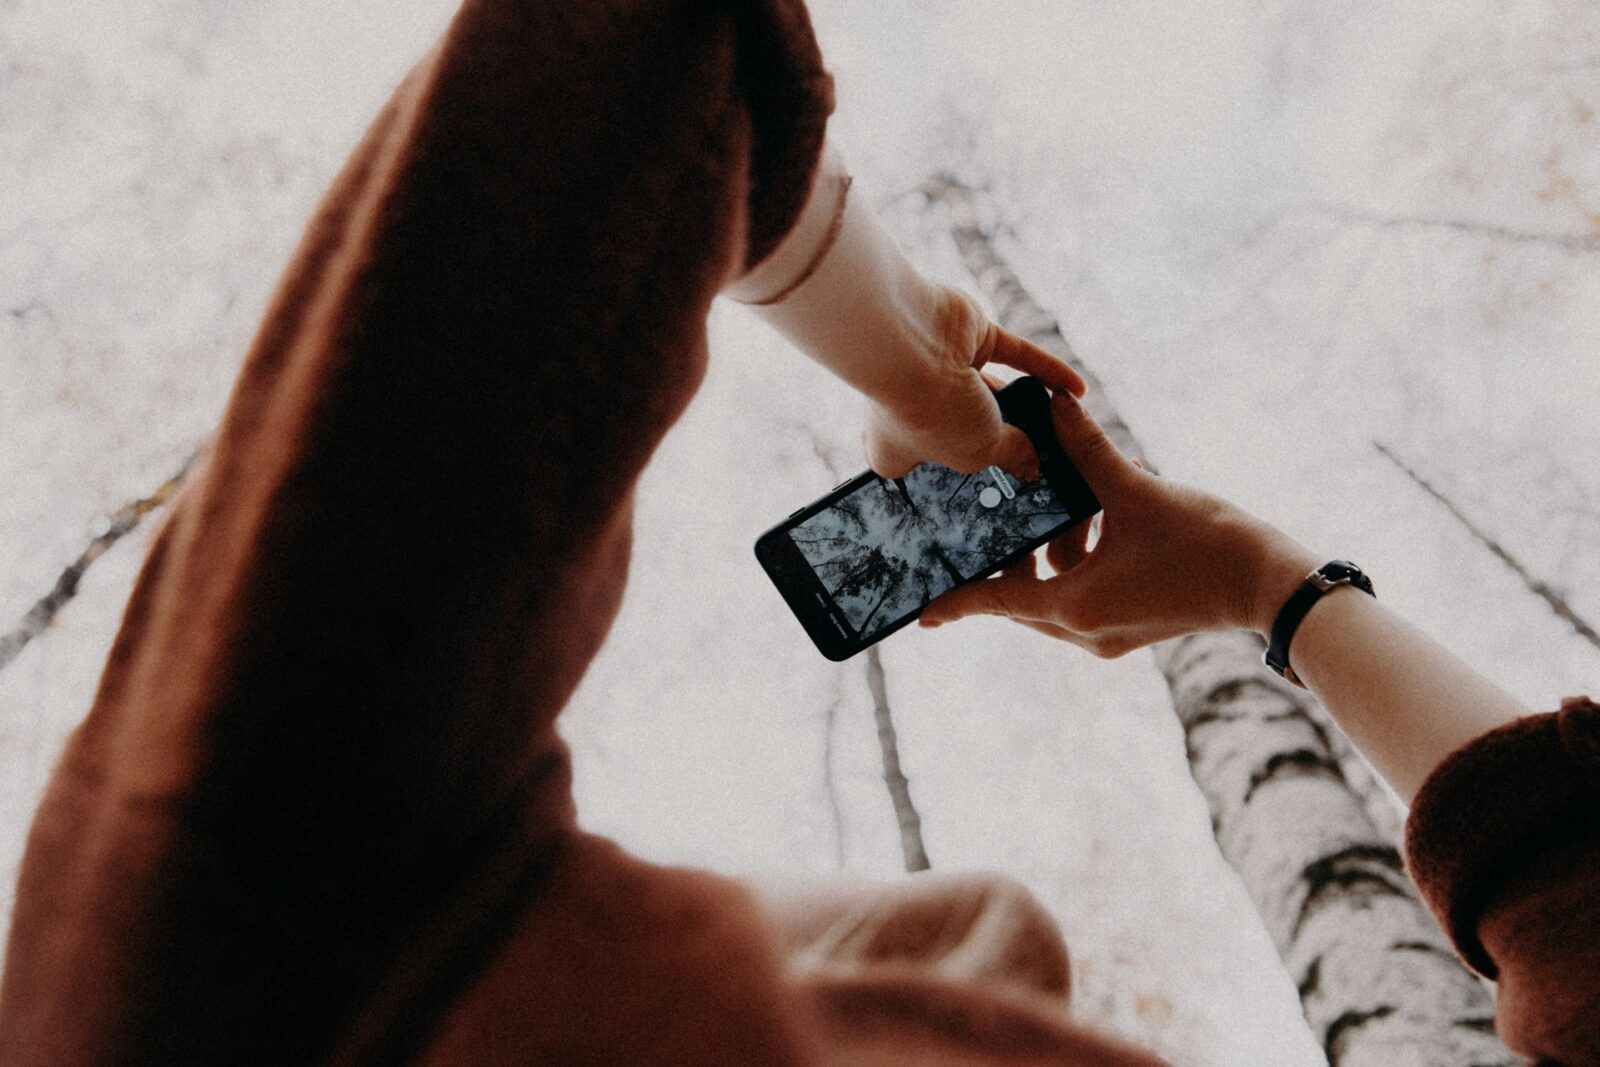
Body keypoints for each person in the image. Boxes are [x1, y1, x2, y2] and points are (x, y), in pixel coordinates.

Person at [0, 0, 1594, 1063]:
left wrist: (1233, 565)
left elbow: (631, 59)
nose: (993, 945)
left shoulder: (263, 979)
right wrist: (1241, 571)